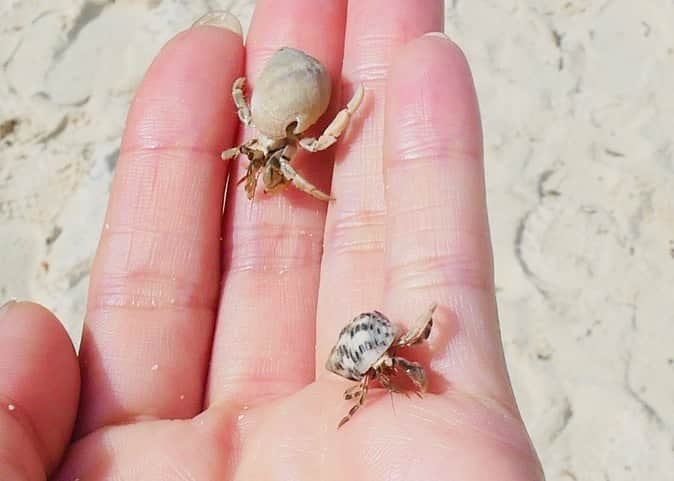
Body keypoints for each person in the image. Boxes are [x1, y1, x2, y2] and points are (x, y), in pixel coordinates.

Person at [0, 2, 545, 479]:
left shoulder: (263, 137)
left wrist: (330, 118)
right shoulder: (264, 140)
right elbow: (276, 134)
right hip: (282, 121)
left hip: (287, 118)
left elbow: (273, 126)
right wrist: (327, 124)